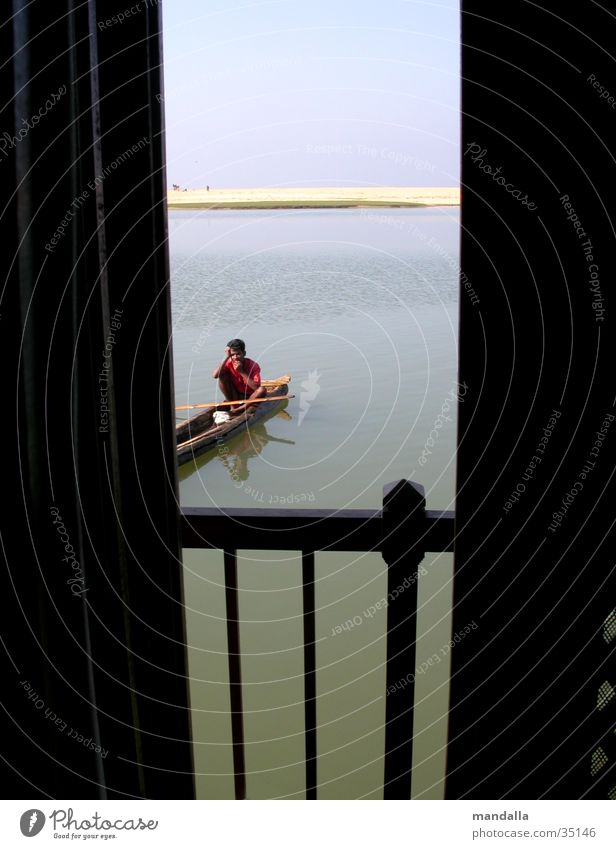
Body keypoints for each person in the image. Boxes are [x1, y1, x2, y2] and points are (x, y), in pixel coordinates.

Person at [211, 338, 266, 416]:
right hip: (236, 395)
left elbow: (257, 388)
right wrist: (226, 357)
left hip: (250, 397)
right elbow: (215, 375)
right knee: (222, 376)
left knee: (262, 390)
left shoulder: (253, 365)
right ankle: (233, 406)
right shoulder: (229, 362)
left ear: (244, 353)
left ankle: (241, 409)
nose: (235, 357)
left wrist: (241, 371)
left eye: (238, 354)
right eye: (232, 355)